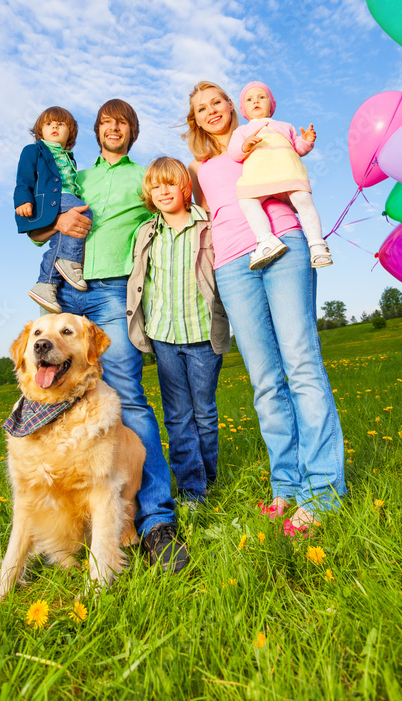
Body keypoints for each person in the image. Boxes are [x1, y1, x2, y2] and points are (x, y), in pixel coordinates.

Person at [29, 100, 188, 573]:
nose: (112, 127)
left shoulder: (143, 177)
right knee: (54, 403)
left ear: (131, 131)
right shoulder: (77, 176)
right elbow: (39, 232)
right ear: (96, 131)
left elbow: (169, 211)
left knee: (128, 399)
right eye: (105, 122)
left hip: (112, 294)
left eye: (121, 122)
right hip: (61, 296)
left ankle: (157, 520)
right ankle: (63, 521)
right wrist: (56, 223)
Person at [185, 81, 346, 534]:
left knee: (301, 363)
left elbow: (296, 169)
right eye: (202, 108)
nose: (212, 110)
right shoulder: (199, 166)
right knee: (265, 381)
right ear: (195, 119)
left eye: (217, 101)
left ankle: (324, 493)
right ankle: (286, 487)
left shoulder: (264, 136)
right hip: (233, 265)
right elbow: (203, 213)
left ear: (231, 105)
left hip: (284, 246)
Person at [127, 157, 229, 504]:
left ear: (185, 187)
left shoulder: (210, 225)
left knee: (204, 412)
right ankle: (191, 490)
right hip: (164, 336)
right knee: (177, 416)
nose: (163, 191)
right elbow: (141, 281)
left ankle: (208, 477)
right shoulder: (146, 233)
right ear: (149, 193)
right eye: (156, 186)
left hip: (202, 333)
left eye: (170, 183)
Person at [228, 81, 332, 270]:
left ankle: (317, 246)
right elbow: (234, 153)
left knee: (304, 202)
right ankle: (266, 240)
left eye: (262, 97)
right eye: (249, 99)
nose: (256, 101)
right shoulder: (242, 131)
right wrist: (245, 145)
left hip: (289, 174)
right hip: (258, 178)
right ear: (244, 109)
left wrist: (306, 141)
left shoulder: (286, 126)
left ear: (272, 103)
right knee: (247, 201)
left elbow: (298, 148)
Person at [14, 106, 91, 314]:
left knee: (60, 239)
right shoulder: (34, 150)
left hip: (62, 199)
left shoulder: (69, 157)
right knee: (83, 213)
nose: (54, 126)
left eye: (61, 124)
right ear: (40, 131)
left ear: (70, 133)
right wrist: (23, 200)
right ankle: (70, 261)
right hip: (52, 200)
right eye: (48, 124)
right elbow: (24, 178)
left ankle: (46, 284)